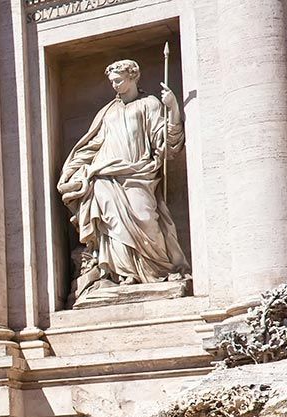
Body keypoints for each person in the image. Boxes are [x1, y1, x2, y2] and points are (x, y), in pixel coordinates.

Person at [58, 59, 189, 295]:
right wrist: (72, 170)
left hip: (138, 172)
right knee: (112, 223)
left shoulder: (149, 104)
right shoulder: (107, 112)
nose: (115, 85)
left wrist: (173, 108)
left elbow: (167, 144)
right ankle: (123, 274)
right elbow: (91, 145)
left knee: (145, 216)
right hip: (104, 175)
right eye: (112, 82)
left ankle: (156, 271)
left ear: (133, 77)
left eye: (119, 80)